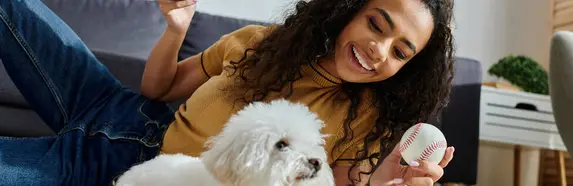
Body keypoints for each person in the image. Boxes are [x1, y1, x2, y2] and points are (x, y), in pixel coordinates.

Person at [0, 0, 456, 185]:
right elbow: (158, 88)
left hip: (125, 172)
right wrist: (175, 30)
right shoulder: (262, 42)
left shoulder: (363, 122)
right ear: (350, 10)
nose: (378, 50)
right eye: (377, 23)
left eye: (400, 52)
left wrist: (384, 180)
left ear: (405, 70)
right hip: (112, 105)